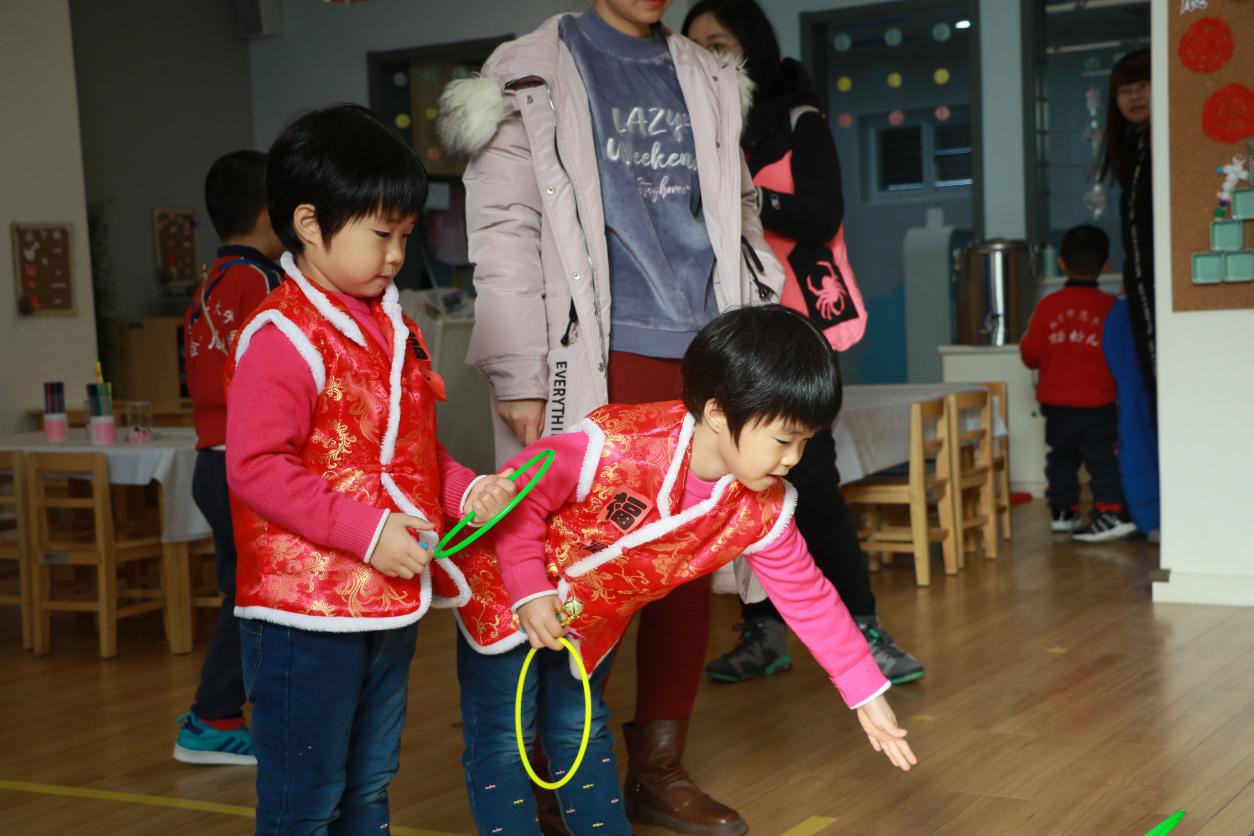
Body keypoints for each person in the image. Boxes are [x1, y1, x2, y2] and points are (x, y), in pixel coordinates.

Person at [438, 1, 783, 831]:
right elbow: (505, 228)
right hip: (590, 350)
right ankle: (557, 765)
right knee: (578, 556)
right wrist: (519, 367)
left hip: (705, 347)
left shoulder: (706, 73)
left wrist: (759, 329)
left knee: (685, 558)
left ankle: (659, 766)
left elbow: (739, 216)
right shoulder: (527, 68)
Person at [442, 305, 917, 835]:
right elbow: (516, 492)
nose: (792, 459)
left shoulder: (762, 507)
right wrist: (530, 590)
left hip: (587, 620)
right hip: (504, 593)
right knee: (503, 740)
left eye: (805, 443)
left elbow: (808, 596)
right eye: (784, 441)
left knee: (580, 730)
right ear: (718, 412)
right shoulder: (617, 445)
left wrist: (866, 693)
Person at [224, 104, 517, 833]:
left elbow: (411, 452)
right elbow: (256, 467)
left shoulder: (395, 325)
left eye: (405, 236)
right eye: (381, 234)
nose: (395, 254)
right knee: (305, 796)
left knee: (369, 784)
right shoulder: (280, 334)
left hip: (388, 597)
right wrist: (368, 531)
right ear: (309, 224)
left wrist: (468, 491)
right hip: (306, 613)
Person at [683, 0, 923, 688]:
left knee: (810, 477)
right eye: (696, 47)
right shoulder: (698, 123)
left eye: (720, 43)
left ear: (752, 45)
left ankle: (863, 626)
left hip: (800, 325)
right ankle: (763, 632)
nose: (709, 58)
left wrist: (746, 196)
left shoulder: (797, 118)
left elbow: (822, 213)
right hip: (733, 325)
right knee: (736, 481)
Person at [174, 150, 284, 766]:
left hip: (212, 460)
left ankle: (216, 713)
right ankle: (213, 717)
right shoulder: (264, 283)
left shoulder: (211, 281)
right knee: (254, 600)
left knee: (243, 595)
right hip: (247, 462)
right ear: (270, 213)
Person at [1020, 224, 1136, 542]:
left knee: (1061, 457)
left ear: (1061, 263)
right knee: (1101, 457)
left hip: (1057, 404)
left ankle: (1062, 512)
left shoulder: (1047, 307)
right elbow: (1124, 358)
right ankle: (1110, 510)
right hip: (1099, 402)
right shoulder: (1112, 309)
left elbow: (1030, 355)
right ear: (1106, 264)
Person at [1098, 49, 1154, 417]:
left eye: (1142, 85)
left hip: (1161, 281)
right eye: (1124, 90)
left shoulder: (1167, 142)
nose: (1133, 97)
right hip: (1141, 281)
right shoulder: (1136, 148)